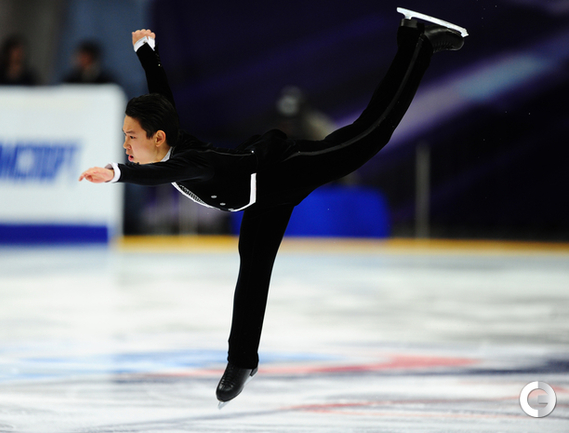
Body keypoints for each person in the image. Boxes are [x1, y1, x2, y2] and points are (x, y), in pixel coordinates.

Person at [79, 9, 467, 406]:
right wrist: (147, 52)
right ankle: (241, 362)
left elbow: (159, 174)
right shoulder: (172, 141)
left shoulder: (190, 161)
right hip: (262, 201)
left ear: (157, 138)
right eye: (124, 137)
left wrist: (116, 172)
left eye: (131, 137)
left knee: (370, 135)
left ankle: (416, 42)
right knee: (252, 273)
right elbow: (162, 98)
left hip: (285, 171)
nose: (125, 144)